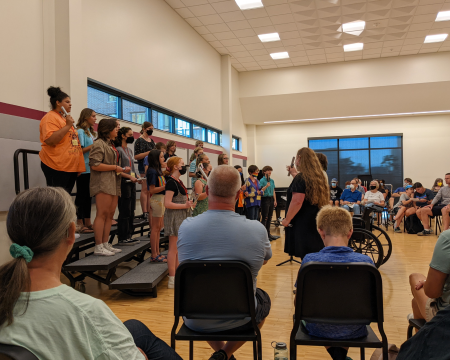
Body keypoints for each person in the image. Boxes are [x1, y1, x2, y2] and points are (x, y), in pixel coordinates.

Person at [0, 187, 182, 360]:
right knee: (139, 334)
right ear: (71, 233)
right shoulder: (86, 311)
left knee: (135, 328)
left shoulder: (6, 296)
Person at [178, 166, 272, 360]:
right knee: (263, 299)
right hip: (242, 317)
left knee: (206, 291)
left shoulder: (186, 227)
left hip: (194, 317)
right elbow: (263, 259)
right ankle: (226, 354)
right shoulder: (257, 229)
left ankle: (220, 354)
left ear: (206, 191)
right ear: (239, 194)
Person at [294, 205, 374, 360]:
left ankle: (338, 356)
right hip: (356, 327)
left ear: (320, 231)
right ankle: (340, 356)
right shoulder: (366, 262)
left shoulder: (310, 261)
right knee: (345, 306)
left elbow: (299, 303)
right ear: (350, 231)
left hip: (316, 327)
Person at [90, 118, 130, 256]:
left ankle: (106, 243)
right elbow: (95, 164)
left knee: (110, 215)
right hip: (103, 183)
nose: (118, 129)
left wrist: (121, 170)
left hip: (114, 183)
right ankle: (98, 245)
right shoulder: (98, 144)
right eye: (115, 127)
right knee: (101, 214)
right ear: (107, 129)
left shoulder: (111, 144)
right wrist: (114, 167)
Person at [282, 147, 329, 259]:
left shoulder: (302, 177)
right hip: (315, 219)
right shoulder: (319, 177)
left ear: (299, 159)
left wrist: (287, 220)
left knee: (306, 255)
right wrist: (295, 174)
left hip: (303, 222)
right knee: (314, 253)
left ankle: (306, 276)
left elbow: (297, 201)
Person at [39, 86, 85, 193]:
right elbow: (50, 140)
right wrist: (68, 126)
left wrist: (78, 166)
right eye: (67, 101)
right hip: (56, 165)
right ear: (58, 103)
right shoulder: (50, 117)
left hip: (70, 166)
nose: (70, 104)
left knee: (65, 198)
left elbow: (74, 144)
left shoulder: (65, 118)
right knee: (57, 199)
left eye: (70, 102)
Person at [408, 229, 450, 324]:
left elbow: (432, 292)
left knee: (415, 277)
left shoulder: (447, 238)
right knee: (416, 303)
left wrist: (428, 282)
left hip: (445, 318)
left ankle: (426, 331)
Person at [164, 156, 194, 288]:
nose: (184, 166)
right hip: (174, 217)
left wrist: (188, 204)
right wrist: (184, 206)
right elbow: (167, 203)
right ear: (176, 166)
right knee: (173, 249)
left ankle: (177, 274)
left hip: (181, 216)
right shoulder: (171, 182)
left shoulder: (178, 181)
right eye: (182, 164)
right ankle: (172, 278)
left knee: (178, 249)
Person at [116, 127, 142, 246]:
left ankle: (130, 235)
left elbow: (131, 168)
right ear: (123, 136)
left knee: (131, 210)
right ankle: (123, 236)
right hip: (123, 183)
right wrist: (129, 177)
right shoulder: (118, 150)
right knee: (125, 210)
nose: (132, 137)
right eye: (130, 134)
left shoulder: (129, 150)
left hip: (131, 183)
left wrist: (136, 176)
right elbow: (116, 170)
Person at [74, 108, 97, 234]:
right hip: (83, 168)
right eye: (93, 116)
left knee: (88, 196)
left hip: (91, 169)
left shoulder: (90, 132)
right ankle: (80, 222)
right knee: (81, 196)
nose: (95, 118)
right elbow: (79, 151)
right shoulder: (80, 131)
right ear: (86, 117)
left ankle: (88, 222)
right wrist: (94, 146)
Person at [146, 149, 167, 262]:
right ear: (156, 158)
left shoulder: (158, 170)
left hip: (161, 200)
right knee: (155, 229)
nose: (164, 159)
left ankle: (158, 253)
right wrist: (165, 187)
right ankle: (154, 255)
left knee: (159, 228)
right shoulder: (152, 171)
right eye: (161, 157)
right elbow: (152, 190)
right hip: (157, 200)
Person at [134, 122, 155, 220]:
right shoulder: (139, 141)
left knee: (149, 190)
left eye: (152, 128)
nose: (151, 130)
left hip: (152, 167)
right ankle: (144, 211)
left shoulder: (152, 141)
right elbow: (136, 156)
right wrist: (148, 153)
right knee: (144, 189)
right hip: (143, 166)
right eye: (149, 128)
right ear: (143, 129)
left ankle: (149, 209)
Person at [259, 166, 278, 241]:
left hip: (271, 199)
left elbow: (273, 191)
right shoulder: (262, 180)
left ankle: (268, 233)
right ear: (264, 172)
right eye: (268, 170)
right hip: (265, 199)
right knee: (265, 217)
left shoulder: (272, 180)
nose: (270, 172)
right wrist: (266, 186)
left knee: (270, 217)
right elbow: (261, 190)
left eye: (270, 170)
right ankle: (263, 235)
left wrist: (275, 200)